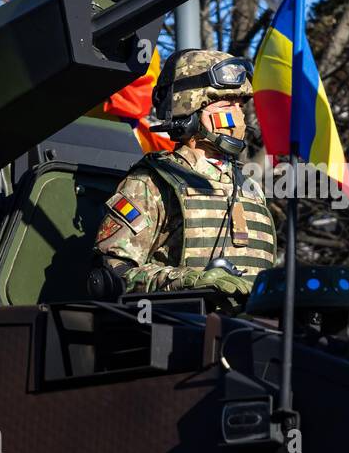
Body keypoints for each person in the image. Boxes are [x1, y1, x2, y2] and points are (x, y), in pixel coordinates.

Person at [88, 48, 277, 303]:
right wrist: (186, 282)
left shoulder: (249, 188)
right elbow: (113, 275)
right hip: (176, 333)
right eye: (226, 105)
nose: (239, 116)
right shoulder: (151, 183)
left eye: (240, 105)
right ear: (190, 110)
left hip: (248, 334)